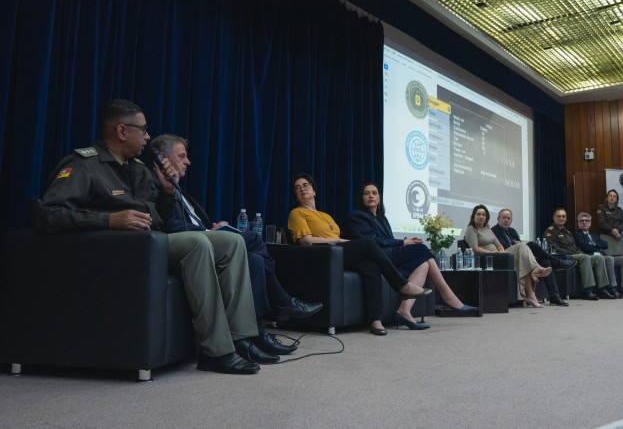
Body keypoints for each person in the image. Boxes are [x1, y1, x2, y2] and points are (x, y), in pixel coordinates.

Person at [36, 99, 274, 375]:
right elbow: (47, 215)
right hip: (114, 251)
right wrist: (108, 220)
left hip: (150, 245)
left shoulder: (137, 170)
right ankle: (216, 352)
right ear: (122, 131)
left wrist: (167, 194)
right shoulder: (84, 165)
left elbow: (158, 222)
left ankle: (240, 338)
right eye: (143, 130)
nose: (148, 137)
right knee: (196, 243)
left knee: (232, 242)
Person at [149, 134, 323, 355]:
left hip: (205, 241)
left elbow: (190, 222)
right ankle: (283, 301)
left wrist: (212, 227)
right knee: (253, 238)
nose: (188, 162)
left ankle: (257, 334)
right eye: (182, 156)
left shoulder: (183, 193)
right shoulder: (154, 186)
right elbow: (170, 227)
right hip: (188, 248)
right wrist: (207, 232)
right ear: (163, 158)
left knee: (256, 260)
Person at [287, 174, 432, 335]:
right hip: (323, 255)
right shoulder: (297, 213)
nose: (302, 189)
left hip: (338, 253)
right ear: (295, 194)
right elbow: (306, 241)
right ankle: (402, 285)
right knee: (368, 243)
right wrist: (339, 241)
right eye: (297, 187)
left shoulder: (325, 216)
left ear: (314, 191)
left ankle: (375, 320)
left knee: (371, 266)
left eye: (305, 185)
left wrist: (340, 241)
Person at [347, 183, 476, 329]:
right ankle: (448, 296)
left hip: (389, 257)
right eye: (366, 193)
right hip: (377, 257)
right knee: (421, 249)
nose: (371, 196)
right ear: (361, 198)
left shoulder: (382, 219)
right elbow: (372, 241)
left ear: (379, 198)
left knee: (424, 264)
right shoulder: (357, 216)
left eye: (374, 193)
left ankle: (404, 311)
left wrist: (407, 242)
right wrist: (402, 242)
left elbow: (388, 240)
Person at [463, 205, 552, 308]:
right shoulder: (471, 229)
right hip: (489, 258)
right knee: (522, 249)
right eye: (478, 214)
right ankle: (536, 271)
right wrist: (494, 253)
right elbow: (475, 249)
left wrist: (500, 251)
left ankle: (531, 294)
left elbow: (499, 245)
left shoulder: (487, 229)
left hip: (500, 256)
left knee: (522, 247)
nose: (481, 217)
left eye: (484, 214)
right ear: (473, 216)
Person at [490, 208, 572, 306]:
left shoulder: (512, 231)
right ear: (498, 219)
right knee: (532, 244)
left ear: (511, 221)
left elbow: (521, 247)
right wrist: (518, 245)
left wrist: (519, 244)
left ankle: (554, 296)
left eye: (509, 218)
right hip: (508, 259)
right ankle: (558, 262)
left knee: (545, 262)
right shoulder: (493, 231)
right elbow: (502, 249)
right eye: (503, 218)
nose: (506, 220)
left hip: (521, 257)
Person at [543, 208, 615, 300]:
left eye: (563, 216)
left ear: (566, 219)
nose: (561, 218)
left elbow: (575, 247)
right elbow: (553, 248)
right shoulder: (550, 232)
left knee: (599, 258)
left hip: (574, 256)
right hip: (563, 257)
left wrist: (580, 253)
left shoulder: (567, 232)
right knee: (584, 258)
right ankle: (588, 290)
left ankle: (602, 288)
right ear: (554, 218)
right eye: (559, 216)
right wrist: (574, 253)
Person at [573, 212, 623, 298]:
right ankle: (613, 287)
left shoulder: (593, 234)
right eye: (582, 221)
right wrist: (595, 244)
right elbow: (586, 248)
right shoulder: (577, 234)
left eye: (587, 220)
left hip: (602, 256)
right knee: (610, 259)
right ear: (578, 223)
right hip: (592, 258)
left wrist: (593, 243)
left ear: (590, 223)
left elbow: (605, 244)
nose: (584, 222)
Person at [595, 189, 623, 257]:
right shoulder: (601, 208)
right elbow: (601, 222)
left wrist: (617, 230)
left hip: (617, 237)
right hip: (606, 237)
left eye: (614, 196)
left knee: (620, 259)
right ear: (607, 198)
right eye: (610, 196)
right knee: (608, 259)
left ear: (616, 199)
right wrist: (612, 230)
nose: (612, 198)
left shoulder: (620, 210)